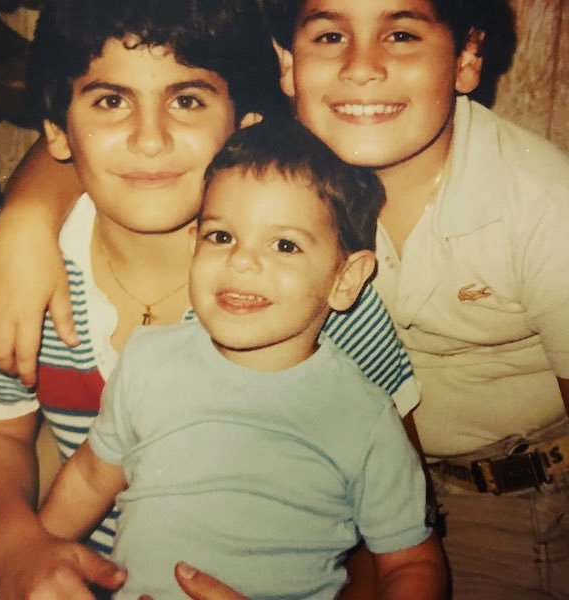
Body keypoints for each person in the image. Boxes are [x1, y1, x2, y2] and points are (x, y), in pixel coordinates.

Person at [0, 0, 421, 598]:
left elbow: (389, 533)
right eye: (110, 101)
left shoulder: (306, 289)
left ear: (244, 124)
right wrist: (13, 546)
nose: (150, 139)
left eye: (187, 100)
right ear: (56, 130)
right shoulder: (20, 269)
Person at [38, 118, 446, 599]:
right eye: (221, 237)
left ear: (346, 279)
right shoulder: (149, 360)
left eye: (285, 245)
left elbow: (412, 562)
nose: (242, 261)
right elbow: (89, 476)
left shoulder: (361, 414)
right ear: (194, 245)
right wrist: (32, 556)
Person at [260, 0, 569, 598]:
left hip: (517, 500)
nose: (361, 66)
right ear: (287, 63)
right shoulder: (270, 170)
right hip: (355, 494)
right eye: (329, 36)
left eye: (400, 34)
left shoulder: (542, 205)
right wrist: (31, 217)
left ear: (467, 57)